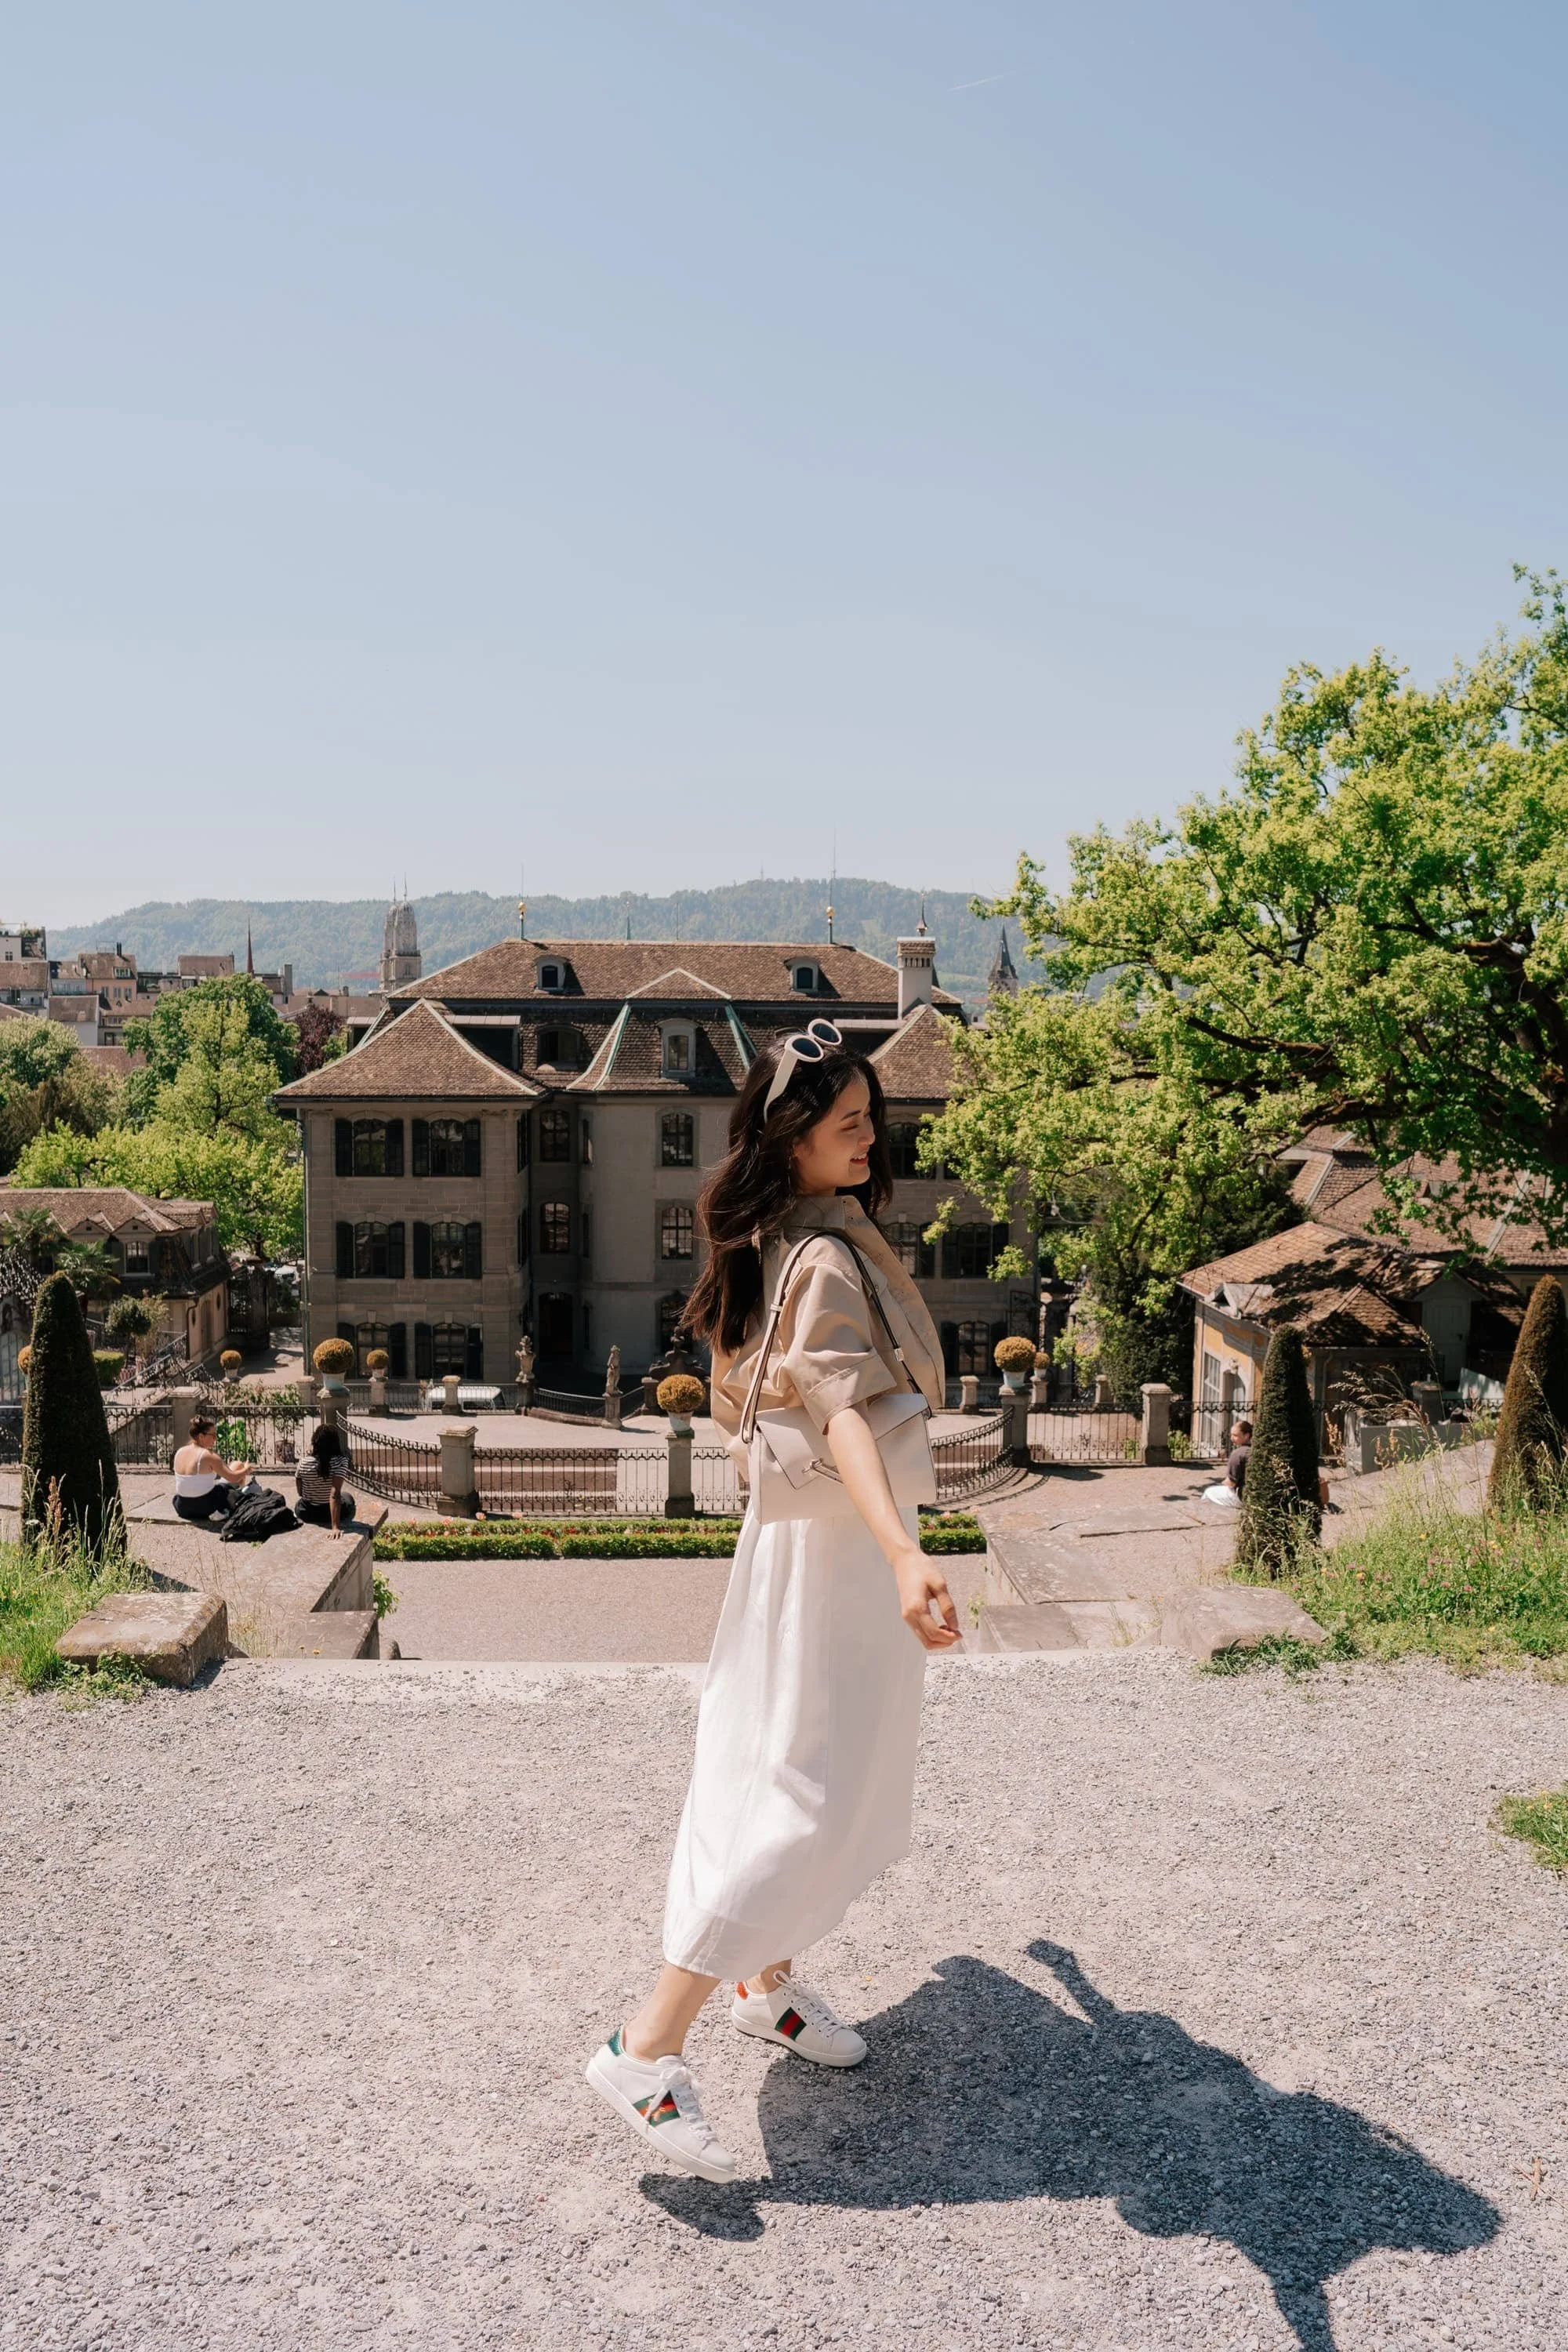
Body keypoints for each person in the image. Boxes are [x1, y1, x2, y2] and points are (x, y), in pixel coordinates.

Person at [585, 1025, 960, 2183]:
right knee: (796, 1796)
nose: (869, 1137)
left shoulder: (788, 1235)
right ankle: (644, 2048)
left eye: (870, 1119)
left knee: (800, 1772)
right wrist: (905, 1554)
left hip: (808, 1551)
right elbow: (843, 1411)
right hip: (838, 1558)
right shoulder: (827, 1263)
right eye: (848, 1121)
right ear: (791, 1136)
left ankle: (765, 1984)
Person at [171, 1413, 255, 1521]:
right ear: (201, 1436)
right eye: (213, 1435)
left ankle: (239, 1495)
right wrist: (247, 1469)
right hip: (206, 1507)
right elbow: (233, 1478)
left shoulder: (179, 1452)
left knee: (235, 1467)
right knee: (238, 1470)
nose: (215, 1439)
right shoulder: (208, 1456)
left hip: (182, 1507)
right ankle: (239, 1499)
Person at [294, 1423, 357, 1534]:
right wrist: (335, 1527)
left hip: (307, 1512)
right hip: (328, 1512)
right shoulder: (340, 1462)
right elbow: (335, 1493)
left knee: (299, 1503)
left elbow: (300, 1491)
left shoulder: (303, 1462)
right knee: (348, 1497)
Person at [1202, 1416, 1253, 1508]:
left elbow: (1231, 1482)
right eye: (1231, 1435)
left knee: (1208, 1492)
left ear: (1246, 1436)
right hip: (1253, 1493)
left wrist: (1219, 1485)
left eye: (1236, 1435)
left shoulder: (1238, 1454)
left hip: (1242, 1496)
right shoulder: (1254, 1449)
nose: (1232, 1438)